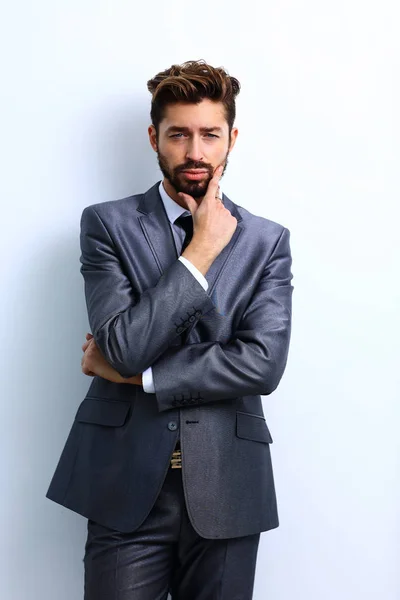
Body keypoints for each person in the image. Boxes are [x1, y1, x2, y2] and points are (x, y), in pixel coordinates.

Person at [46, 58, 294, 599]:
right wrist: (201, 250)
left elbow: (262, 364)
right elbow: (123, 346)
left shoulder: (267, 241)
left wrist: (141, 379)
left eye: (210, 134)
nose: (196, 152)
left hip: (229, 483)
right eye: (179, 134)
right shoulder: (107, 224)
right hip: (124, 483)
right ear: (154, 137)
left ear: (232, 138)